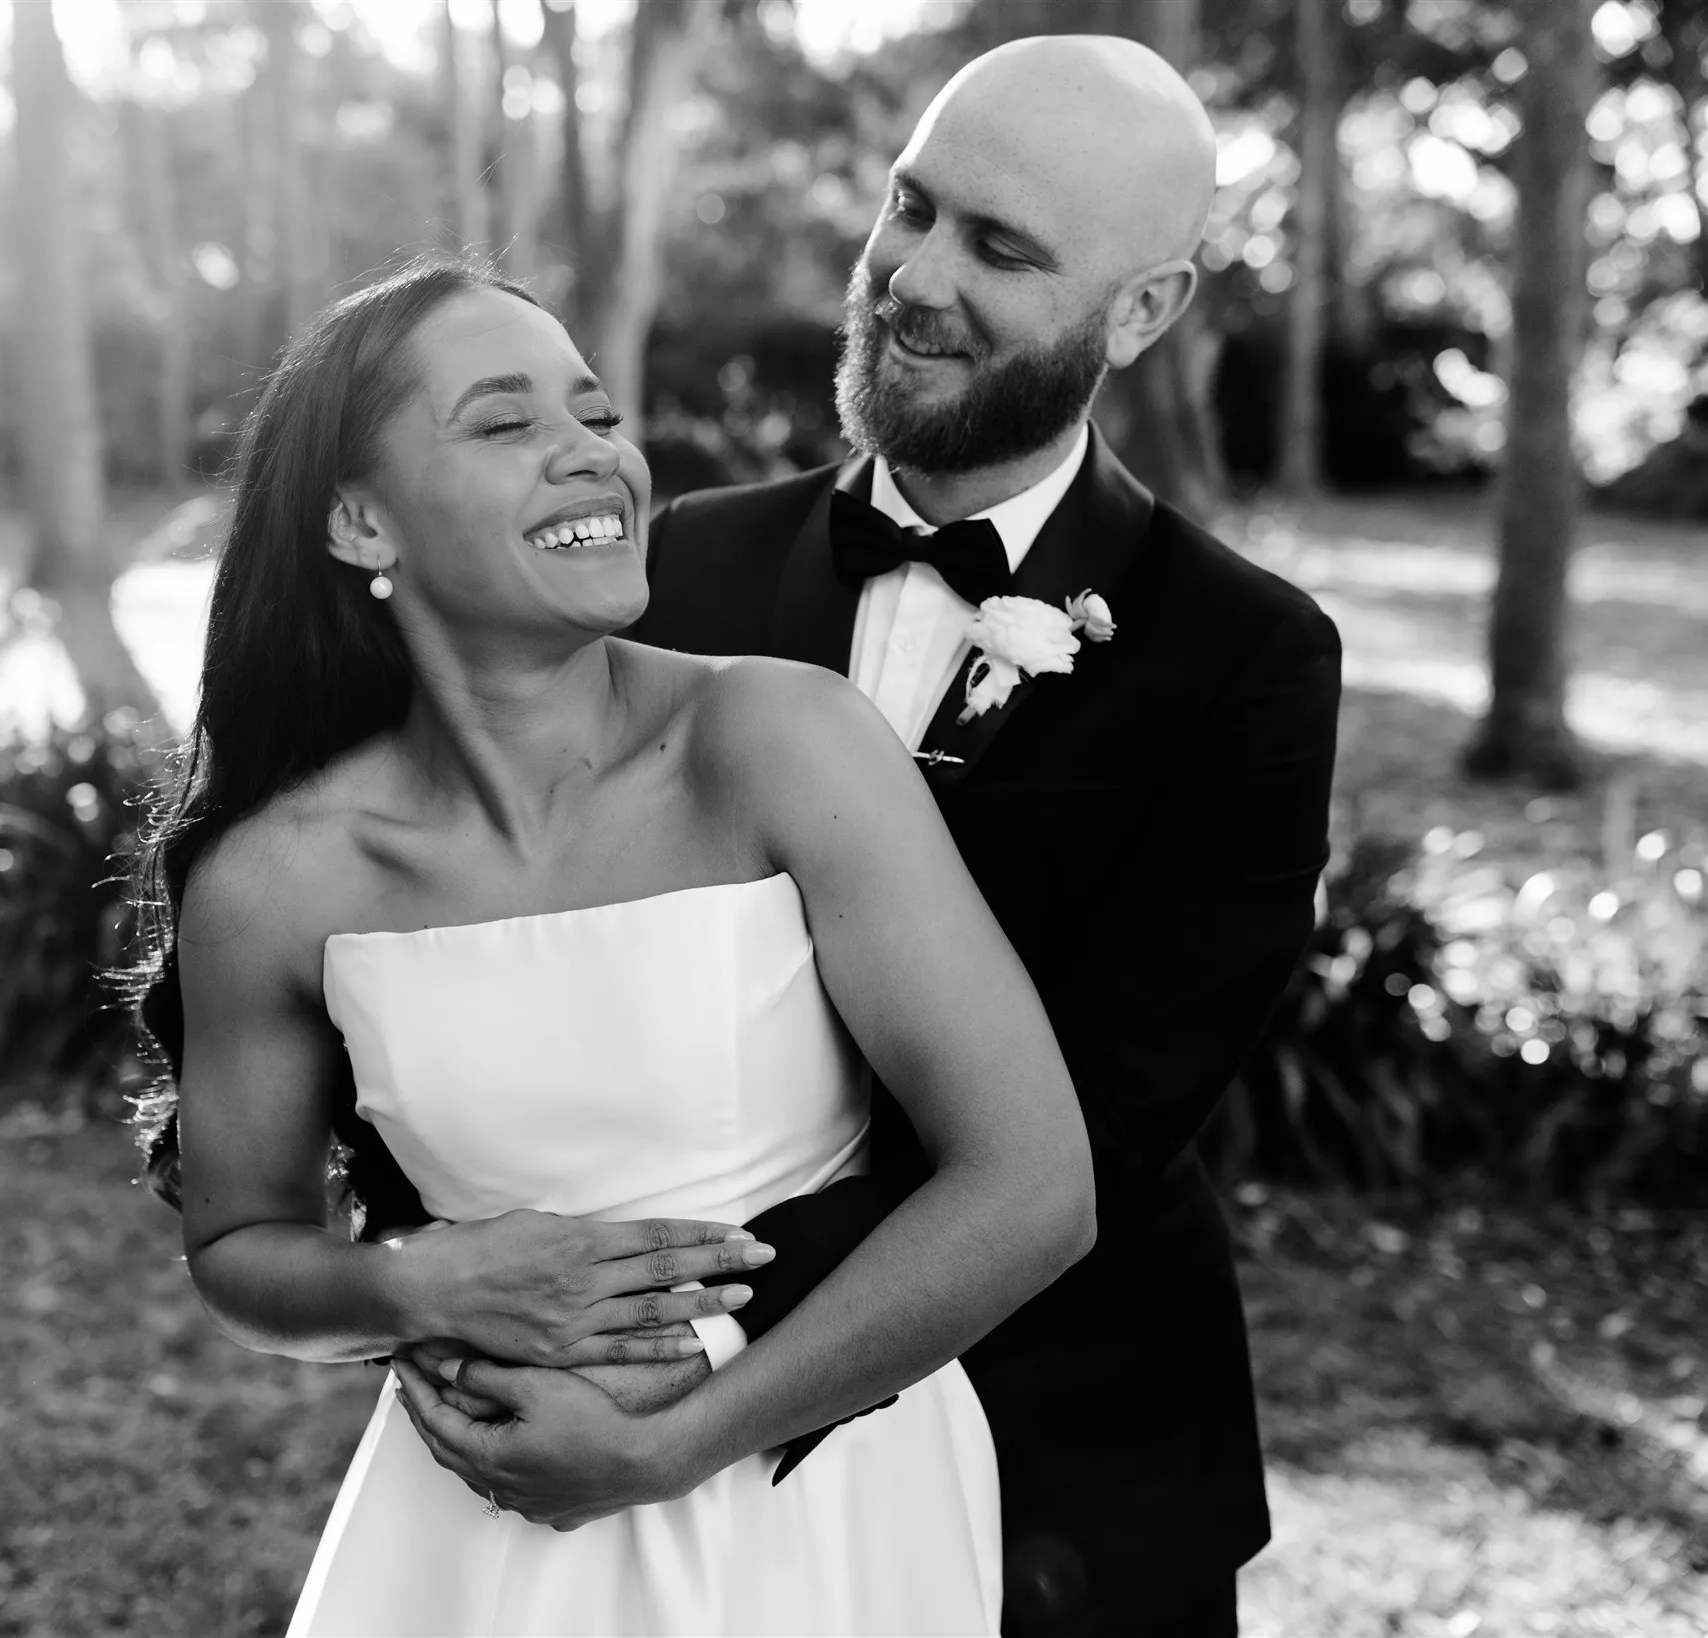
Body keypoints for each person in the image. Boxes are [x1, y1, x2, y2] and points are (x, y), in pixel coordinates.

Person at [406, 35, 1343, 1638]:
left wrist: (668, 1339)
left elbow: (1104, 1116)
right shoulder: (668, 576)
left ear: (1145, 309)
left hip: (1062, 1458)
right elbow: (488, 919)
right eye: (912, 207)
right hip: (643, 1483)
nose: (912, 274)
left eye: (1000, 248)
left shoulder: (1247, 658)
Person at [129, 254, 1100, 1636]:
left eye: (594, 415)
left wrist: (680, 1442)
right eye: (505, 421)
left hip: (822, 1499)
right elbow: (240, 1245)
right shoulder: (277, 883)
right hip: (486, 1525)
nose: (593, 457)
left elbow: (1034, 1182)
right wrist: (418, 1281)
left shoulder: (778, 741)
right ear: (359, 519)